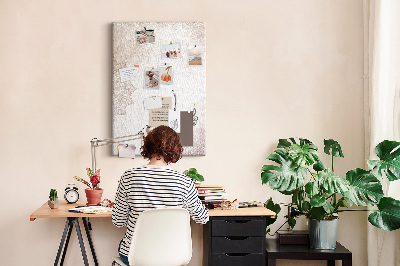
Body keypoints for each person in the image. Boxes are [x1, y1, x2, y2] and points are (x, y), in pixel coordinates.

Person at [112, 125, 209, 265]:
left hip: (135, 258)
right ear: (175, 149)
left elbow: (118, 221)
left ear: (147, 146)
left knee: (126, 245)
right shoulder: (184, 182)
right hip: (173, 257)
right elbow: (202, 218)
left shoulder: (129, 177)